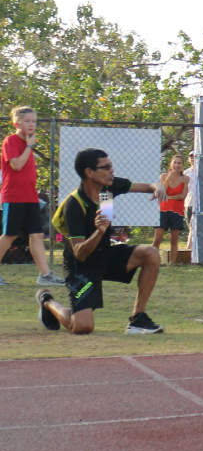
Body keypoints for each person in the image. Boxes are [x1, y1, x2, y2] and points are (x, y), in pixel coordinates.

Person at [38, 148, 165, 335]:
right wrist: (99, 231)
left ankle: (138, 319)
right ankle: (47, 301)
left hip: (105, 255)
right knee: (82, 326)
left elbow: (146, 186)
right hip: (81, 269)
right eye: (105, 167)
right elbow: (80, 253)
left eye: (111, 166)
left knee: (151, 253)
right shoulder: (74, 204)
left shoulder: (108, 187)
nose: (111, 170)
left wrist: (157, 186)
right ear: (89, 173)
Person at [0, 105, 65, 287]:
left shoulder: (28, 143)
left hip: (30, 197)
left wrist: (29, 146)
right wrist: (29, 146)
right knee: (10, 235)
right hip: (13, 196)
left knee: (36, 235)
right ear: (16, 123)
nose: (31, 125)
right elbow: (16, 165)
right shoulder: (11, 141)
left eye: (34, 121)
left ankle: (45, 275)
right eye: (27, 121)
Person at [152, 153, 189, 265]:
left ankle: (172, 264)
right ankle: (151, 261)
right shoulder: (163, 176)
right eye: (175, 162)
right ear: (171, 164)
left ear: (182, 165)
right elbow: (162, 191)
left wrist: (169, 197)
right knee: (157, 238)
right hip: (163, 209)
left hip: (177, 211)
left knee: (174, 239)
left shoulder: (186, 178)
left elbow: (182, 196)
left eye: (179, 163)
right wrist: (169, 177)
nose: (177, 165)